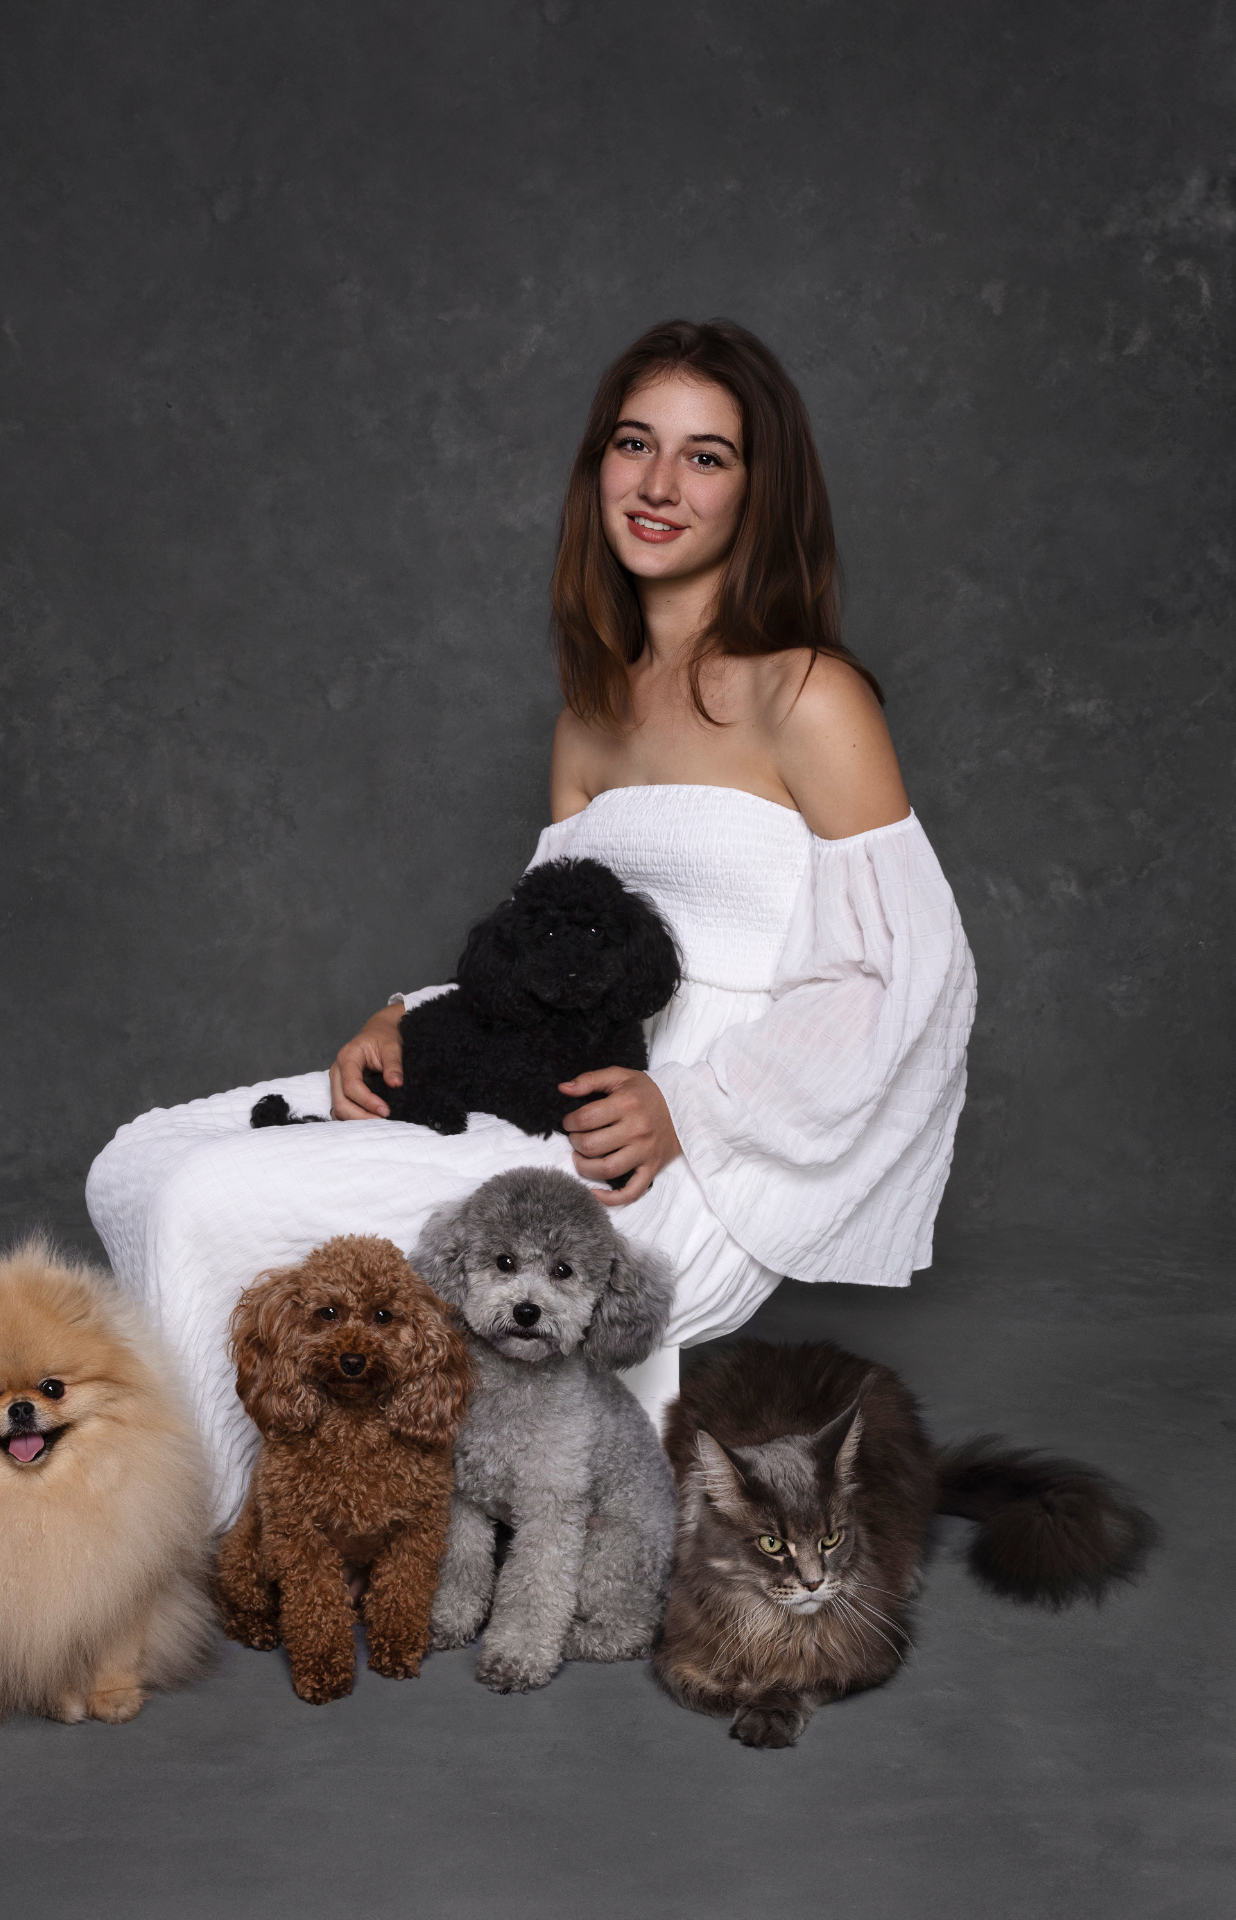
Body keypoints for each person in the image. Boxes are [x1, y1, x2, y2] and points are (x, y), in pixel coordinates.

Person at [86, 319, 976, 1532]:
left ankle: (192, 1534)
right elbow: (543, 949)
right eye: (634, 444)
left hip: (687, 1140)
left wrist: (696, 1108)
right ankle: (256, 1507)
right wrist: (402, 1019)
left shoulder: (806, 694)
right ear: (597, 466)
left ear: (761, 495)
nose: (659, 486)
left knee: (208, 1204)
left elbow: (905, 972)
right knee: (147, 1165)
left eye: (707, 458)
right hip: (536, 1077)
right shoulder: (590, 718)